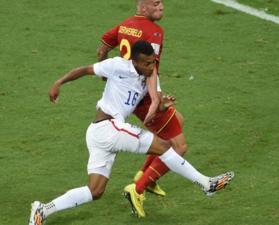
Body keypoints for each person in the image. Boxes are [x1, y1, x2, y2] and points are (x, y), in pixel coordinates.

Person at [28, 41, 234, 225]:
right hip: (108, 127)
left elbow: (156, 102)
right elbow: (85, 70)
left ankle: (43, 210)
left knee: (95, 191)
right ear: (135, 62)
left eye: (153, 62)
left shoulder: (151, 76)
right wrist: (58, 83)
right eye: (147, 63)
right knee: (164, 147)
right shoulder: (118, 65)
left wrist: (162, 106)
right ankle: (206, 184)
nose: (152, 66)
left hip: (102, 133)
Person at [97, 0, 190, 215]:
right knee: (179, 146)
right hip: (144, 96)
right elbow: (151, 68)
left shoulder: (124, 25)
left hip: (128, 94)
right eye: (156, 3)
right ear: (143, 5)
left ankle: (144, 176)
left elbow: (102, 47)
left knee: (178, 121)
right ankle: (136, 190)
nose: (162, 6)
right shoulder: (154, 31)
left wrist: (105, 72)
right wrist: (156, 100)